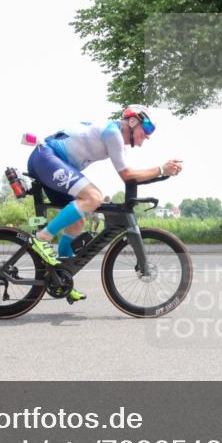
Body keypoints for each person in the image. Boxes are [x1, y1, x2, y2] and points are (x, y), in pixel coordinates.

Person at [25, 106, 182, 303]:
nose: (147, 137)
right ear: (133, 122)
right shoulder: (113, 133)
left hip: (49, 159)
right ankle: (42, 237)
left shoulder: (113, 134)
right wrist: (161, 169)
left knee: (77, 223)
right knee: (93, 197)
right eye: (146, 130)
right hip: (46, 157)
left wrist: (161, 172)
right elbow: (127, 175)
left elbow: (130, 175)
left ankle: (62, 278)